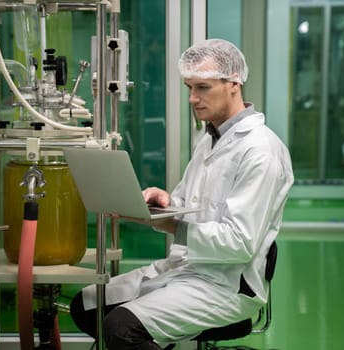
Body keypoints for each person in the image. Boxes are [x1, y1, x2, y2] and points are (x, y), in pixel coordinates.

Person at [69, 38, 294, 350]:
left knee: (121, 328)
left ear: (233, 83)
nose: (192, 98)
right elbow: (188, 205)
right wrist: (163, 204)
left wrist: (174, 225)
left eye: (202, 87)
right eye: (189, 87)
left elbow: (240, 243)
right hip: (189, 268)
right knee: (85, 308)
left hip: (227, 284)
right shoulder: (210, 138)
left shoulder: (261, 151)